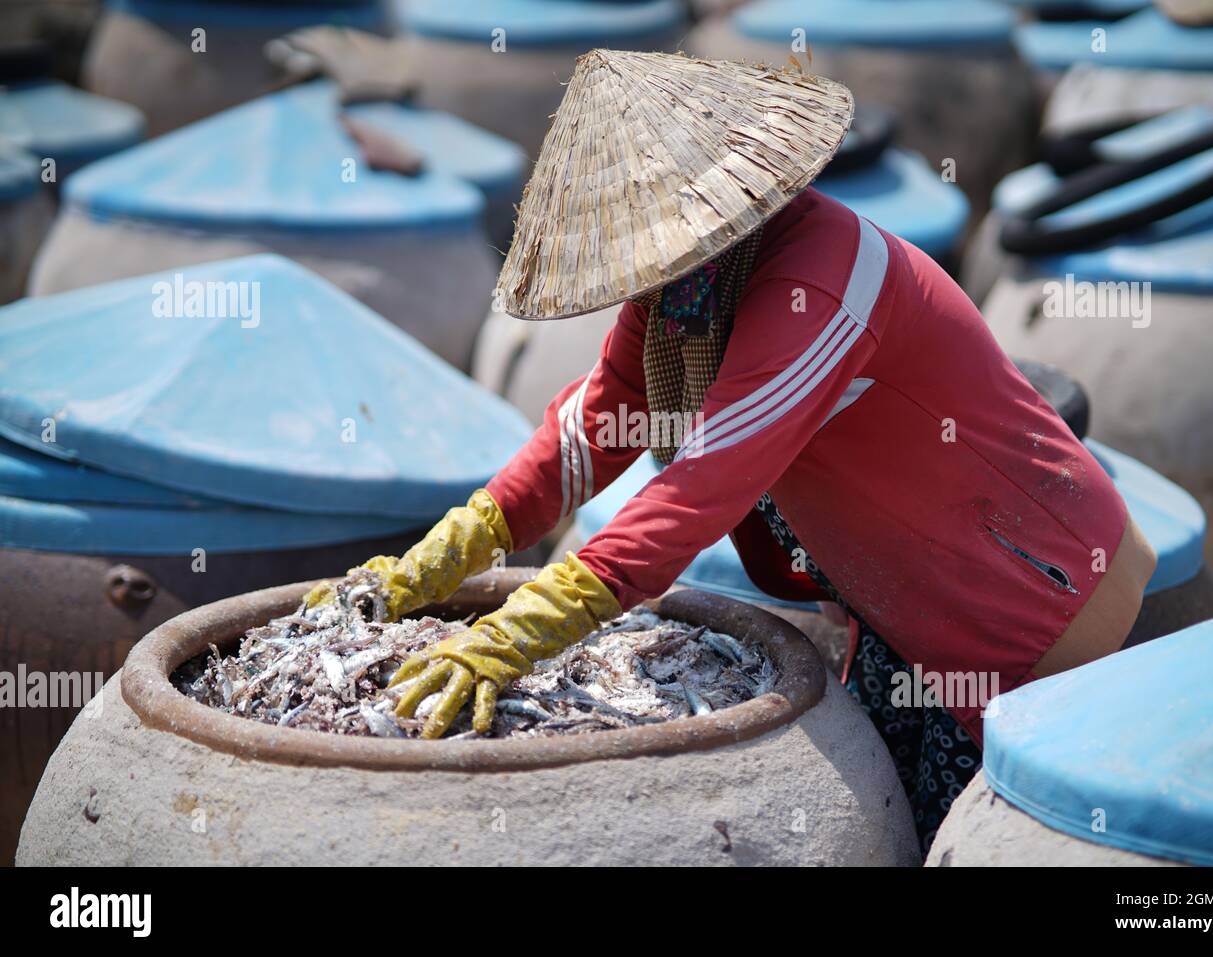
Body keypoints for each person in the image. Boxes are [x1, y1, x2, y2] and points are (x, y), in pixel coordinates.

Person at [305, 49, 1156, 847]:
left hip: (1032, 596)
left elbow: (704, 485)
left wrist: (513, 633)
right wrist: (447, 551)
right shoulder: (686, 288)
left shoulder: (824, 282)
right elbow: (601, 421)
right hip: (899, 614)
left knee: (961, 841)